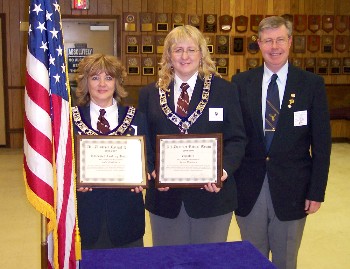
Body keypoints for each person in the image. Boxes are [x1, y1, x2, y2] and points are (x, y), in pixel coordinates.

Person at [231, 16, 331, 269]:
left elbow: (322, 144)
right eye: (267, 41)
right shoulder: (241, 83)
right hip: (249, 186)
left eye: (279, 40)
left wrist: (316, 190)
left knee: (286, 260)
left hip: (294, 189)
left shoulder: (311, 84)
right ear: (258, 44)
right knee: (252, 258)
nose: (274, 47)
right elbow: (233, 136)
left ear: (290, 41)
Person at [138, 25, 246, 246]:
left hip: (213, 197)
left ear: (202, 53)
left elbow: (237, 139)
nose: (184, 56)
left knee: (208, 261)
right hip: (165, 198)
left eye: (191, 49)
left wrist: (221, 172)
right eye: (178, 50)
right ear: (168, 55)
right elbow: (143, 140)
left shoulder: (224, 90)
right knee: (169, 261)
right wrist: (152, 171)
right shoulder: (149, 93)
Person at [72, 53, 153, 249]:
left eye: (108, 77)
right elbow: (61, 163)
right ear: (84, 83)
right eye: (94, 77)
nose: (102, 84)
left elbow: (149, 158)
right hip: (85, 216)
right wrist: (75, 179)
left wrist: (143, 177)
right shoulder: (70, 119)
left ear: (117, 82)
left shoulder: (136, 117)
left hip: (127, 216)